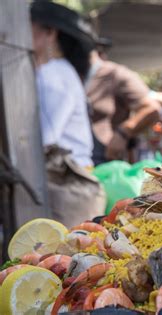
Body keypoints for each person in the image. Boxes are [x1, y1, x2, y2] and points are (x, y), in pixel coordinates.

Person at [30, 0, 105, 227]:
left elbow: (46, 139)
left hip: (67, 184)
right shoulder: (59, 71)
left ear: (49, 33)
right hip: (69, 182)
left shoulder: (53, 75)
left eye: (28, 27)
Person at [86, 48, 161, 165]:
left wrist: (123, 132)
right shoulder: (70, 76)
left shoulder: (115, 74)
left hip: (106, 162)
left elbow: (152, 108)